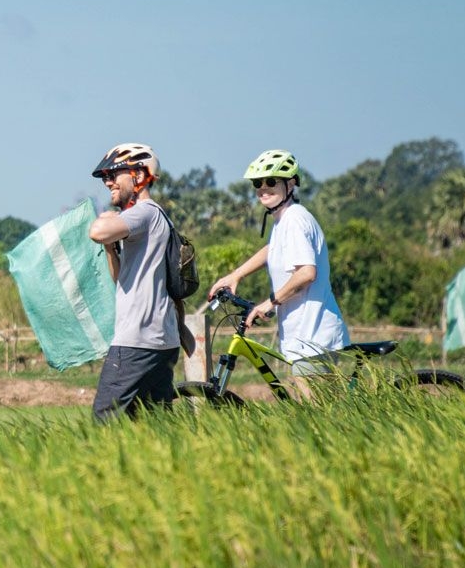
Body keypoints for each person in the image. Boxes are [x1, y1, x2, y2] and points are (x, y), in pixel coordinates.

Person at [208, 149, 349, 400]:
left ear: (291, 183)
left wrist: (270, 303)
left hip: (313, 335)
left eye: (271, 181)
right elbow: (273, 250)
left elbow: (306, 273)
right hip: (304, 335)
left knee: (321, 420)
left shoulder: (295, 219)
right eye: (258, 183)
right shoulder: (284, 221)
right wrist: (236, 275)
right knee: (318, 416)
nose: (263, 188)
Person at [87, 143, 194, 422]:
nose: (108, 182)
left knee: (104, 421)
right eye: (105, 177)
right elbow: (121, 278)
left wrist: (107, 219)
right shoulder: (157, 217)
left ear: (138, 176)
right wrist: (112, 248)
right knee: (156, 425)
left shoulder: (144, 212)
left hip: (136, 341)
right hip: (161, 342)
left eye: (114, 174)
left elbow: (97, 232)